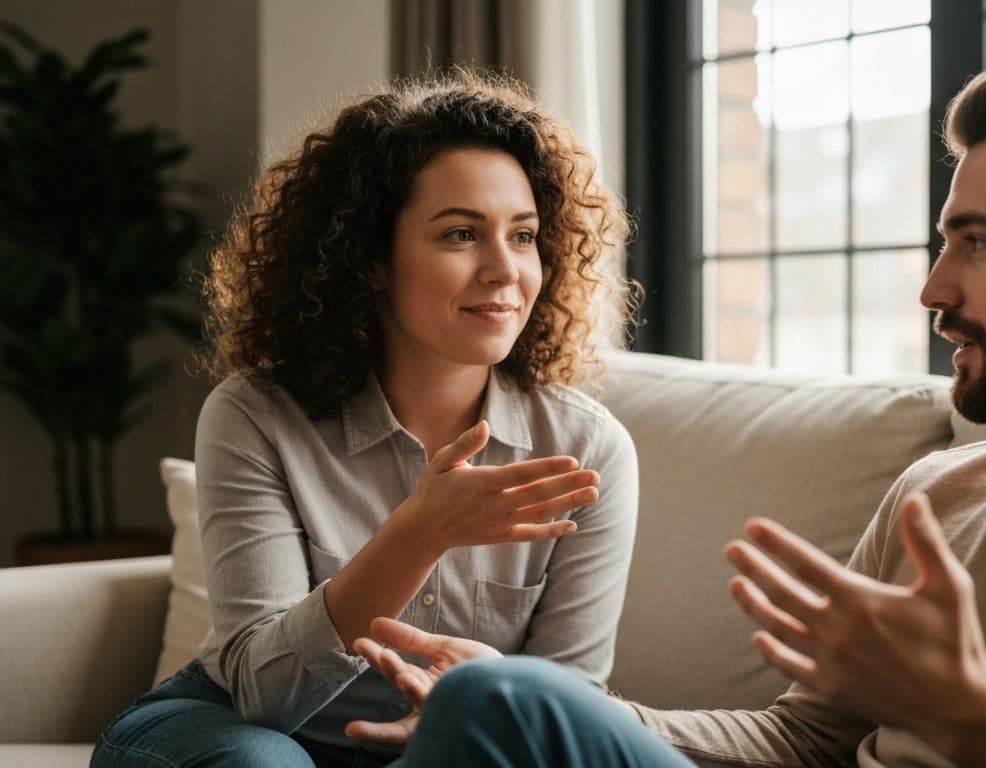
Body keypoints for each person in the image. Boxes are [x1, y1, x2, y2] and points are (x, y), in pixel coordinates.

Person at [349, 61, 986, 767]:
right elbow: (801, 742)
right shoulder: (946, 491)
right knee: (498, 706)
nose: (934, 288)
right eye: (944, 242)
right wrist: (558, 709)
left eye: (978, 243)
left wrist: (972, 716)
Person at [91, 69, 640, 768]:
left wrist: (470, 716)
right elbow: (264, 695)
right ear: (371, 259)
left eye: (525, 235)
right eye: (461, 234)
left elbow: (566, 708)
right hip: (231, 725)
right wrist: (415, 536)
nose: (506, 269)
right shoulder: (256, 413)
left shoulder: (588, 449)